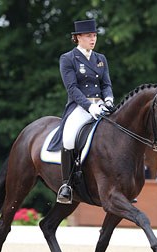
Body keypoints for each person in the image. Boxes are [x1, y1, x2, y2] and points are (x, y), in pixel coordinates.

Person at [48, 19, 114, 204]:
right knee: (69, 138)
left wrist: (108, 99)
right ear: (78, 38)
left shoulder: (101, 59)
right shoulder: (68, 58)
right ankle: (66, 185)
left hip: (101, 105)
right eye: (88, 36)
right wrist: (89, 106)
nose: (93, 39)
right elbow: (72, 88)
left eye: (94, 35)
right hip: (80, 106)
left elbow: (106, 84)